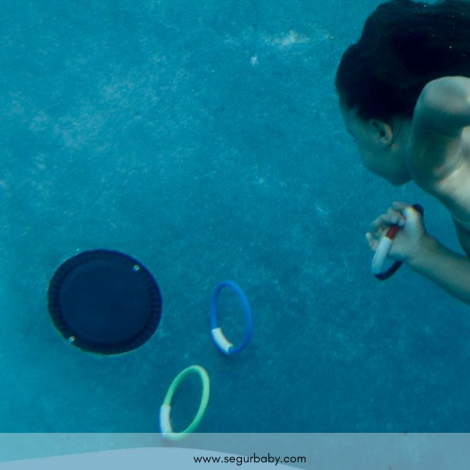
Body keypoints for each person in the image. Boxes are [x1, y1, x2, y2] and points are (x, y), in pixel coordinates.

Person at [336, 0, 470, 305]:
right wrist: (422, 250)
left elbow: (435, 100)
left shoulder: (432, 164)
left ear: (381, 132)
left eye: (354, 138)